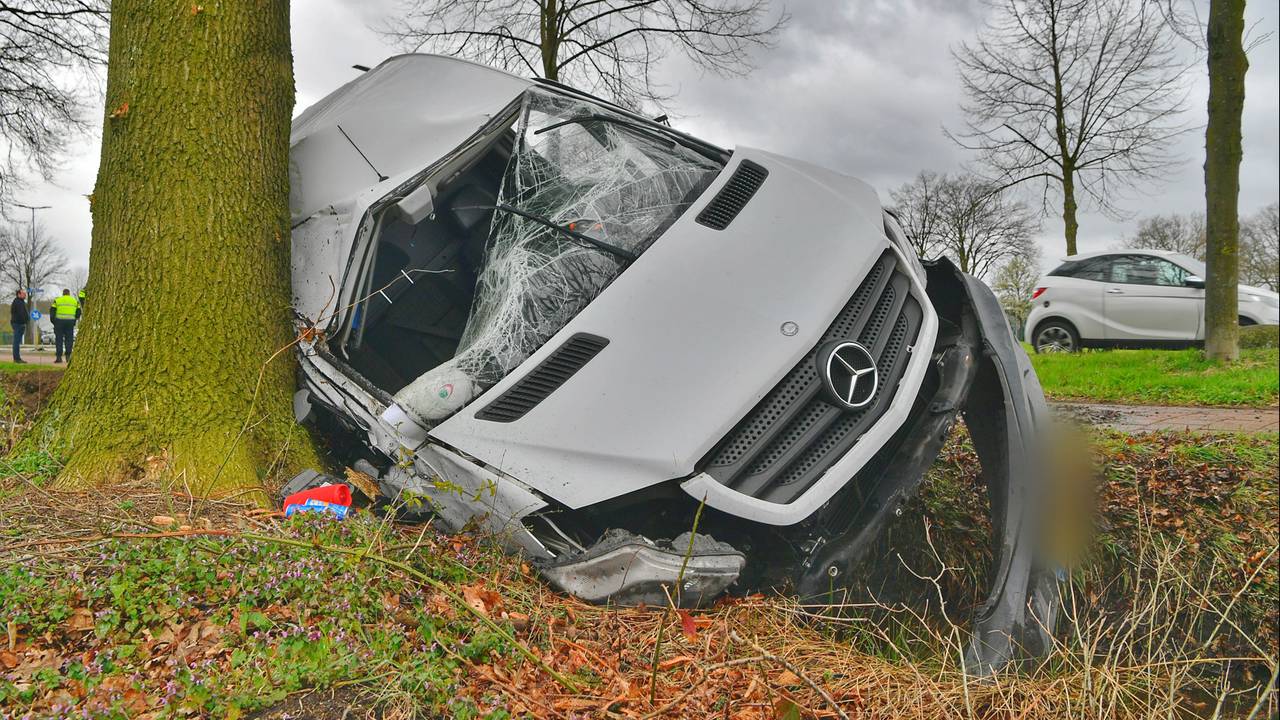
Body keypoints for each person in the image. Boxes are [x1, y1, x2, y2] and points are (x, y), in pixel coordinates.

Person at [51, 288, 80, 363]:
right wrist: (75, 319)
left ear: (63, 293)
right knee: (69, 340)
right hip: (70, 322)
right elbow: (79, 312)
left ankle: (59, 357)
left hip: (59, 322)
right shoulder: (74, 301)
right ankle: (68, 356)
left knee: (59, 340)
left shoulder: (57, 300)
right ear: (69, 294)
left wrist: (54, 321)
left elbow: (52, 311)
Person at [9, 289, 27, 364]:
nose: (25, 295)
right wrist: (24, 320)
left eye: (25, 293)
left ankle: (17, 358)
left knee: (17, 342)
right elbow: (20, 314)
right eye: (23, 293)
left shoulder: (21, 302)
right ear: (19, 294)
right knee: (16, 342)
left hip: (19, 323)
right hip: (18, 324)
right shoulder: (18, 302)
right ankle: (16, 358)